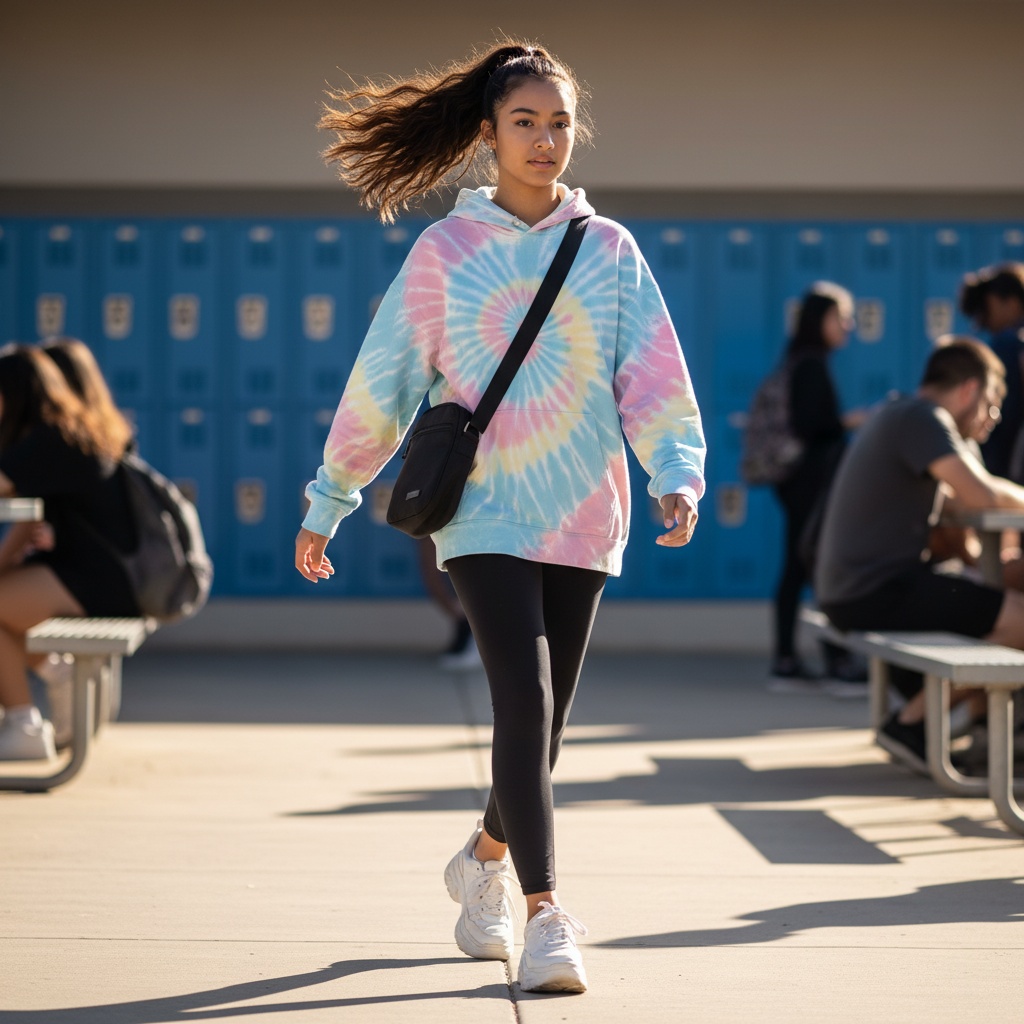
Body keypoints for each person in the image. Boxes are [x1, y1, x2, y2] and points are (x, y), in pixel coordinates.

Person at [294, 41, 705, 993]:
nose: (546, 140)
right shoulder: (446, 250)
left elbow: (650, 371)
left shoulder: (607, 249)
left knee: (549, 722)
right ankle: (546, 912)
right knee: (523, 699)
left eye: (560, 123)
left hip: (583, 509)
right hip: (480, 511)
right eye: (525, 122)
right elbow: (385, 379)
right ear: (488, 135)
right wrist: (331, 497)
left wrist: (673, 471)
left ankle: (483, 856)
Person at [814, 337, 1024, 769]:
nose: (993, 417)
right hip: (875, 588)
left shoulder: (900, 414)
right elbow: (981, 495)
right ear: (969, 390)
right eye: (989, 403)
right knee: (1019, 622)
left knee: (997, 611)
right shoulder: (922, 417)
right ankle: (911, 725)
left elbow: (958, 529)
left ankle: (981, 734)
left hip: (857, 588)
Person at [0, 343, 138, 760]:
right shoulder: (75, 430)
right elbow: (29, 517)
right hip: (104, 573)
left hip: (99, 580)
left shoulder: (53, 437)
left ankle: (23, 725)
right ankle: (54, 675)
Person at [768, 282, 866, 691]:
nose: (848, 325)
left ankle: (794, 658)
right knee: (815, 566)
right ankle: (826, 660)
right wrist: (851, 422)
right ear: (818, 320)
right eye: (840, 317)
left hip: (800, 480)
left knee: (800, 565)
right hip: (809, 480)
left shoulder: (802, 360)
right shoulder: (810, 364)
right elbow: (812, 426)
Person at [959, 263, 1024, 481]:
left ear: (1009, 302)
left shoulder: (1007, 345)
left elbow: (1004, 417)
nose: (983, 323)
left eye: (985, 311)